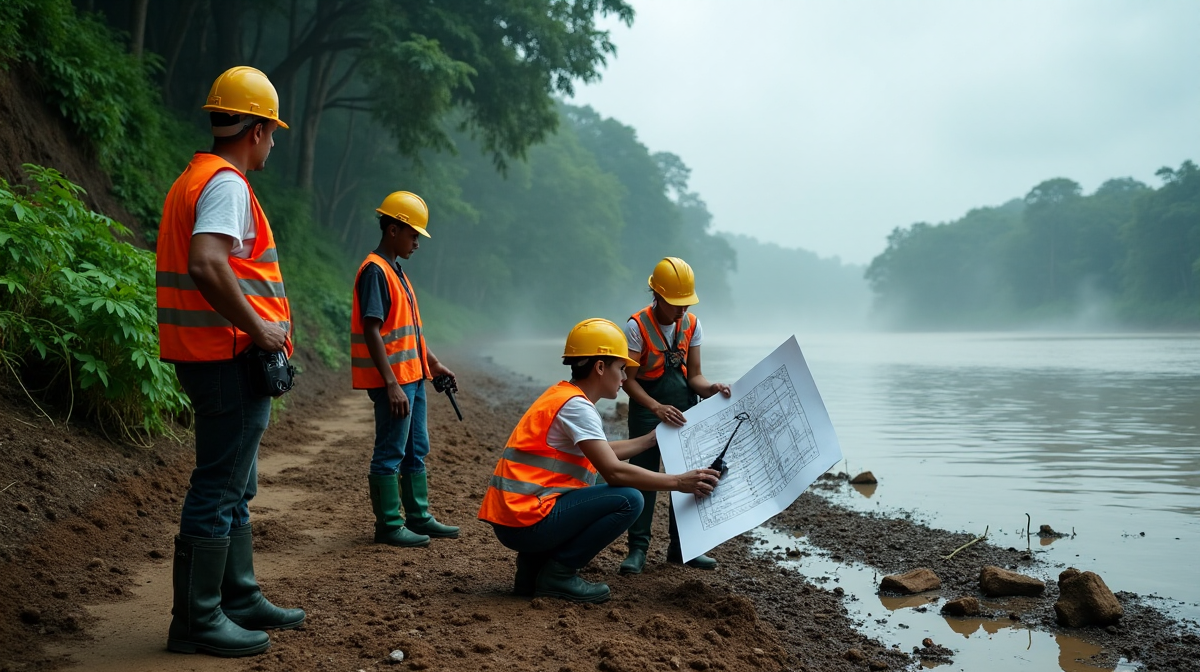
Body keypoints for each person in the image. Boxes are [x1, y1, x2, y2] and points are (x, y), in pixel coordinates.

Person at [156, 66, 304, 657]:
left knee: (235, 484)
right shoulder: (226, 185)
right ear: (258, 129)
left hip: (210, 354)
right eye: (272, 132)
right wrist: (261, 328)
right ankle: (196, 619)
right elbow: (208, 262)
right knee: (219, 487)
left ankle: (237, 596)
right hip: (227, 357)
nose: (272, 143)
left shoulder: (195, 177)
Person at [478, 318, 720, 603]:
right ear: (600, 367)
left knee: (603, 485)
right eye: (621, 368)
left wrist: (652, 439)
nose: (624, 377)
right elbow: (614, 471)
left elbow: (602, 451)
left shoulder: (562, 395)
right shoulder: (578, 407)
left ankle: (532, 570)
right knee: (630, 499)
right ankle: (559, 574)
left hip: (515, 518)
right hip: (528, 523)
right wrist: (680, 482)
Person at [350, 191, 460, 548]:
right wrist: (391, 384)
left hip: (415, 378)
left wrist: (433, 362)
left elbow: (409, 331)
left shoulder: (397, 272)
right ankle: (389, 524)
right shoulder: (375, 271)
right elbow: (372, 329)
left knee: (416, 449)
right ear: (394, 229)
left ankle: (419, 517)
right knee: (390, 451)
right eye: (414, 235)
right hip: (395, 383)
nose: (417, 242)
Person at [619, 257, 731, 575]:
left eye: (686, 304)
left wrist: (712, 388)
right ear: (657, 295)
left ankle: (683, 548)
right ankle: (637, 550)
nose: (681, 311)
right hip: (646, 411)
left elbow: (694, 376)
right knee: (643, 478)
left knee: (689, 477)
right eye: (675, 304)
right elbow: (628, 380)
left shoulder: (692, 324)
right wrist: (655, 407)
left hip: (685, 410)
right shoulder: (636, 327)